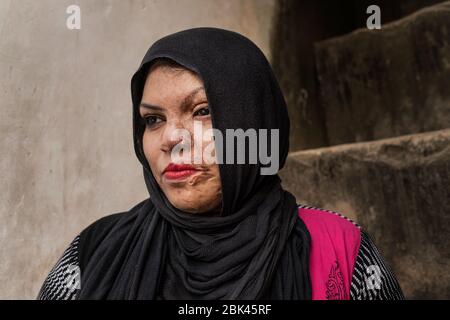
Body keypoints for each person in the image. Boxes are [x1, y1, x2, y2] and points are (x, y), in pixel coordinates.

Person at [37, 27, 404, 300]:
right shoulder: (94, 251)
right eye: (153, 120)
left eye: (203, 111)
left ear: (256, 120)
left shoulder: (340, 246)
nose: (170, 138)